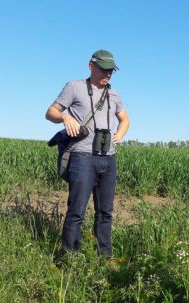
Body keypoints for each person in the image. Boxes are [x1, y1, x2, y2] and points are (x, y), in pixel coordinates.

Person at [45, 50, 130, 257]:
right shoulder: (74, 87)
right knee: (77, 211)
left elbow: (125, 119)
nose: (108, 74)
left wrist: (119, 134)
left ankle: (104, 257)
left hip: (108, 159)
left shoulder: (114, 95)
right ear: (91, 66)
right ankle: (69, 258)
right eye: (104, 69)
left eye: (111, 71)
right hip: (82, 157)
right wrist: (65, 118)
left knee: (105, 213)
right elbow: (50, 112)